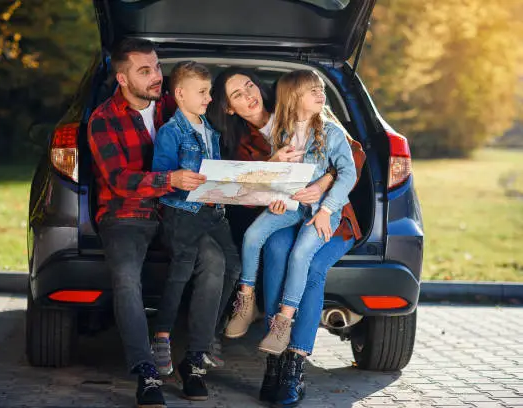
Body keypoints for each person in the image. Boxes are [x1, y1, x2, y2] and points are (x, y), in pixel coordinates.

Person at [207, 67, 365, 406]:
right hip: (287, 216)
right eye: (237, 94)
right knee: (277, 250)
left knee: (311, 267)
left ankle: (294, 363)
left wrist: (322, 186)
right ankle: (274, 362)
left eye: (249, 85)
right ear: (229, 108)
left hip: (329, 217)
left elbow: (355, 157)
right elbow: (246, 193)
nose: (248, 94)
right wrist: (272, 172)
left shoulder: (300, 110)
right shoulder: (242, 144)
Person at [87, 39, 225, 408]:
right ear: (121, 78)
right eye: (144, 71)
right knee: (126, 279)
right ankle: (146, 371)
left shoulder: (173, 104)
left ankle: (194, 360)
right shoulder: (103, 119)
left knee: (214, 263)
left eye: (157, 68)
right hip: (126, 214)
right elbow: (119, 179)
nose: (155, 77)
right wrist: (171, 180)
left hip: (178, 213)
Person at [226, 69, 357, 355]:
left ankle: (283, 321)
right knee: (253, 235)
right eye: (312, 90)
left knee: (301, 254)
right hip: (289, 205)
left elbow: (350, 170)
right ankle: (246, 300)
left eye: (320, 89)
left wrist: (326, 204)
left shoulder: (330, 132)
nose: (320, 94)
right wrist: (273, 195)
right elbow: (256, 183)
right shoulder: (278, 132)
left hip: (322, 209)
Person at [149, 61, 241, 400]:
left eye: (209, 92)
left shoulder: (210, 130)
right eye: (202, 92)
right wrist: (179, 183)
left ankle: (203, 340)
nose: (208, 98)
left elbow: (215, 174)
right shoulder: (170, 132)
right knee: (187, 268)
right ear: (180, 94)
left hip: (213, 214)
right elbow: (161, 178)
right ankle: (165, 338)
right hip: (182, 214)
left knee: (232, 266)